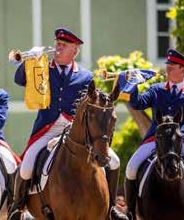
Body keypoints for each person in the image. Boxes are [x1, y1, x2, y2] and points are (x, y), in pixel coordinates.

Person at [8, 28, 127, 220]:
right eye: (57, 44)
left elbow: (87, 105)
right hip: (47, 128)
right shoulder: (43, 68)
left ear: (74, 51)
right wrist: (30, 60)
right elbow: (19, 79)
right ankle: (17, 207)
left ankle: (111, 207)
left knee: (114, 161)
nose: (58, 48)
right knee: (27, 163)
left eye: (63, 46)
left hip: (75, 128)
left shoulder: (86, 77)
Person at [124, 49, 184, 220]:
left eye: (172, 66)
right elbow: (137, 104)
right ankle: (130, 213)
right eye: (168, 65)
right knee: (131, 168)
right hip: (155, 139)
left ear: (183, 69)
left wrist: (177, 136)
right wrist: (133, 85)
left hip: (180, 141)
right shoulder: (156, 90)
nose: (168, 69)